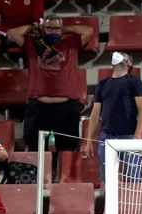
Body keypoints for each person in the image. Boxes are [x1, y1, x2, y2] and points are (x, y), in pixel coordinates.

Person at [8, 15, 93, 152]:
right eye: (49, 28)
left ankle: (62, 174)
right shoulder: (33, 44)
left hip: (66, 107)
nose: (53, 31)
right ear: (43, 29)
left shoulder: (71, 43)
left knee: (67, 149)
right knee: (35, 148)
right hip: (38, 106)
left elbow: (88, 31)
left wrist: (63, 29)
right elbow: (12, 33)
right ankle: (39, 174)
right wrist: (35, 28)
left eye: (56, 28)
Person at [84, 52, 142, 184]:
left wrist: (137, 135)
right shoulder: (102, 85)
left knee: (134, 179)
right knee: (107, 178)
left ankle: (135, 204)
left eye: (124, 55)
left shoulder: (134, 82)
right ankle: (109, 205)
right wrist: (89, 140)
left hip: (129, 136)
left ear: (129, 63)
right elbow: (95, 114)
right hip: (106, 137)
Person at [0, 0, 44, 73]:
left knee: (39, 37)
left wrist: (25, 30)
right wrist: (7, 32)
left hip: (26, 32)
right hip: (6, 33)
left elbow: (39, 23)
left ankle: (37, 79)